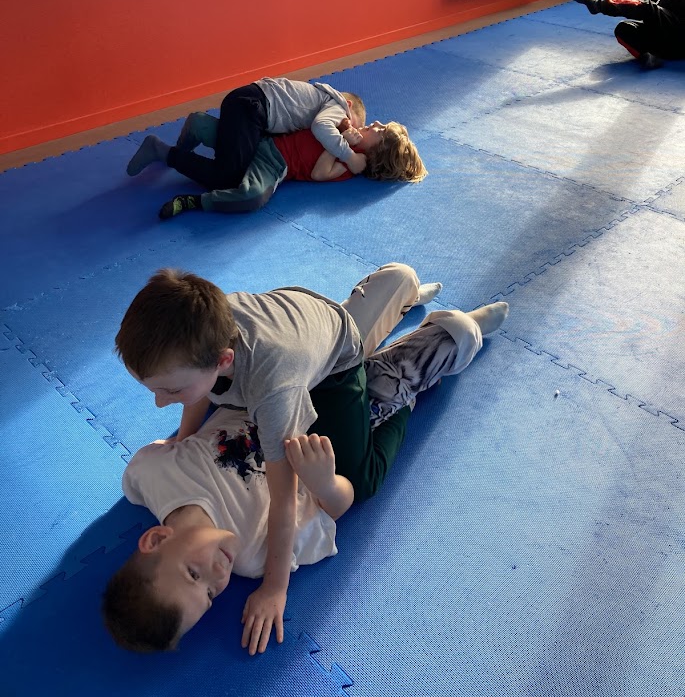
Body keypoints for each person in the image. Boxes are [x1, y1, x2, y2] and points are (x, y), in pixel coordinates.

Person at [113, 263, 509, 655]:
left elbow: (285, 496)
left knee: (363, 475)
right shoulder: (201, 324)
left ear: (157, 538)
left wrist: (275, 587)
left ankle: (444, 346)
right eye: (211, 594)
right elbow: (329, 503)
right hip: (304, 323)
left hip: (321, 368)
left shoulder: (161, 475)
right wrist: (322, 483)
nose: (218, 576)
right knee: (320, 355)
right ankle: (400, 285)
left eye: (193, 573)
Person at [143, 111, 426, 220]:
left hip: (276, 163)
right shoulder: (348, 125)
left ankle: (196, 201)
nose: (375, 123)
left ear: (377, 152)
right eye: (381, 124)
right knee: (229, 146)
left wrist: (341, 145)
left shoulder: (351, 163)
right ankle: (196, 131)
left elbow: (318, 173)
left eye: (380, 130)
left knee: (252, 195)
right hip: (268, 138)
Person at [571, 0, 685, 69]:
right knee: (623, 28)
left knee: (647, 7)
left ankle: (599, 5)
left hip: (677, 40)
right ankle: (648, 57)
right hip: (659, 41)